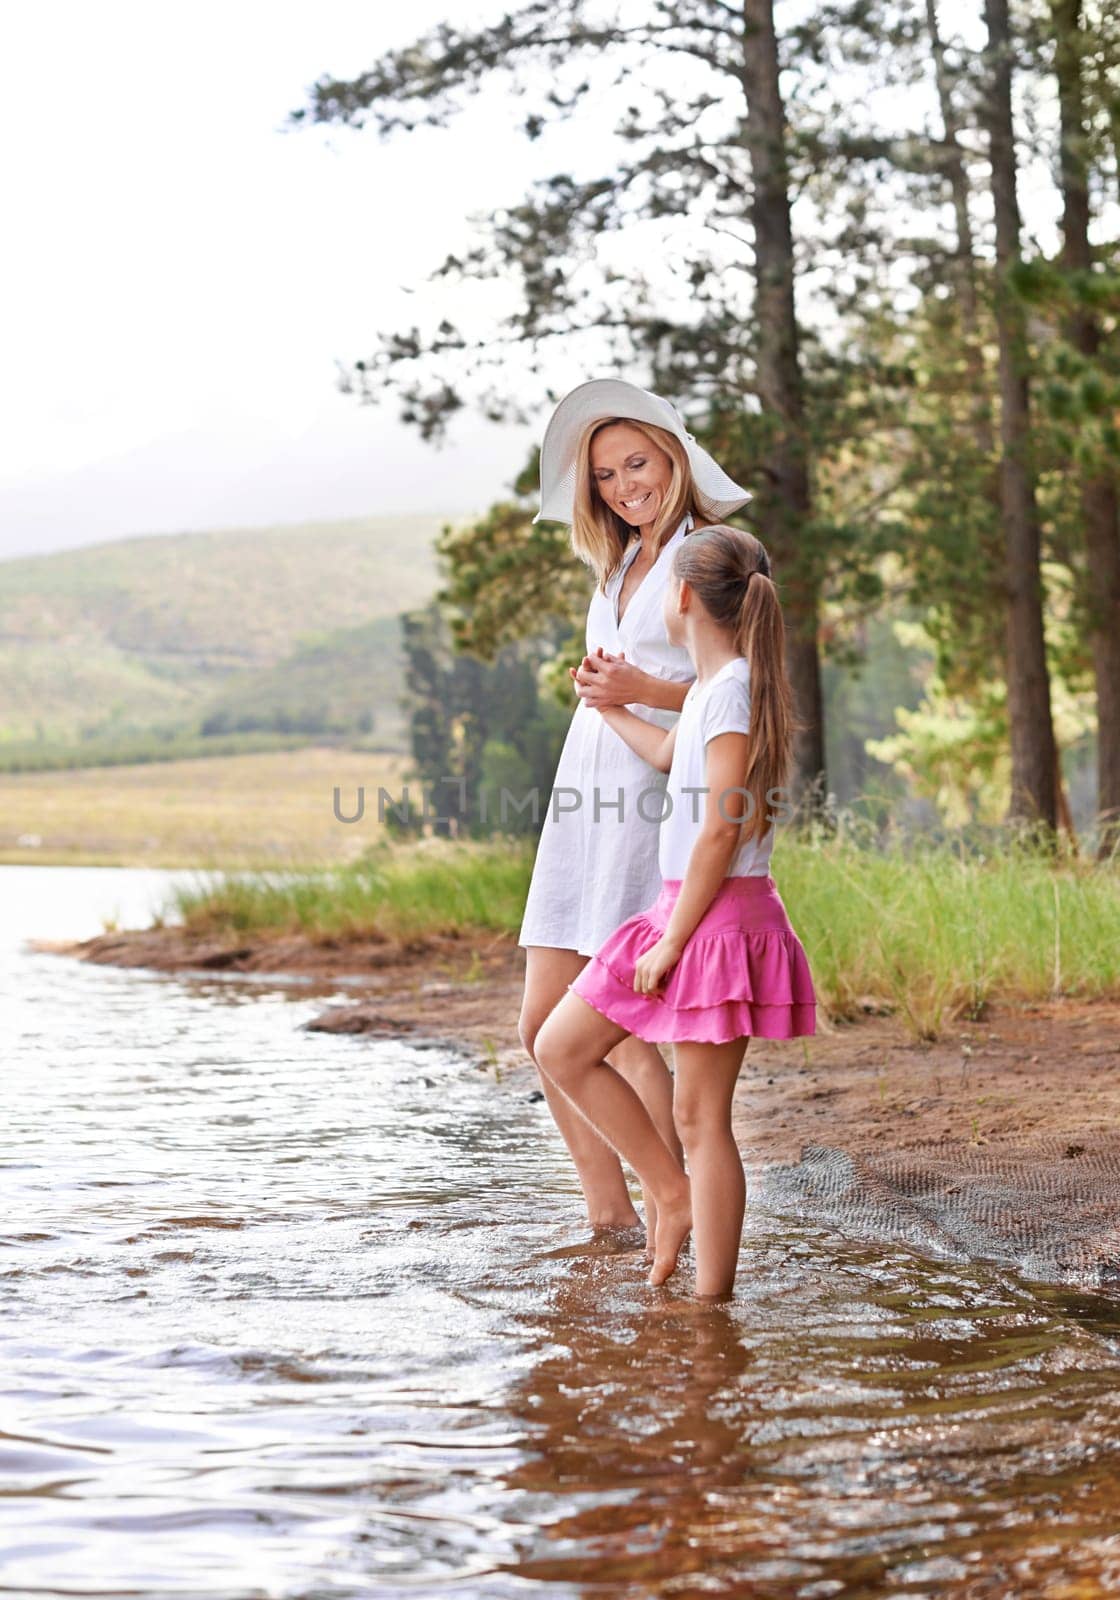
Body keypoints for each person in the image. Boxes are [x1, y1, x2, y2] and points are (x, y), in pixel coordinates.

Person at [533, 524, 817, 1298]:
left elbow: (723, 825)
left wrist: (673, 943)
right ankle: (672, 1193)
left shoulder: (728, 693)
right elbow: (664, 757)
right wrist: (606, 706)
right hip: (680, 909)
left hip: (715, 920)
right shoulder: (712, 687)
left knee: (701, 1117)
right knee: (559, 1047)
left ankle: (709, 1301)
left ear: (683, 596)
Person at [517, 378, 755, 1258]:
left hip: (647, 802)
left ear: (677, 459)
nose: (624, 485)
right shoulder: (619, 560)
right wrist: (599, 687)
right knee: (539, 1023)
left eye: (639, 463)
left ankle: (670, 1197)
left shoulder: (707, 553)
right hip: (583, 797)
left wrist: (640, 690)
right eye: (608, 473)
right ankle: (612, 1215)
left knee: (616, 1025)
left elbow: (734, 682)